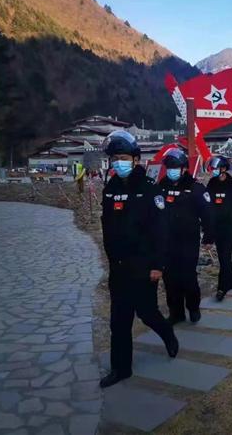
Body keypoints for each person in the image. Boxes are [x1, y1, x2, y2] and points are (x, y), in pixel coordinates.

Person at [99, 130, 178, 388]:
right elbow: (107, 226)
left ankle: (167, 333)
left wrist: (158, 265)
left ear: (135, 159)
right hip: (119, 268)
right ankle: (121, 369)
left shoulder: (150, 189)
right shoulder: (110, 189)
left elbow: (161, 231)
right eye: (114, 159)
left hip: (144, 267)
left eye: (122, 158)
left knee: (147, 313)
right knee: (119, 321)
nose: (117, 163)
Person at [159, 148, 213, 324]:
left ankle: (193, 307)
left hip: (188, 241)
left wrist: (208, 237)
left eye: (175, 168)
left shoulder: (195, 188)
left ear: (183, 169)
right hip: (167, 241)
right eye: (169, 168)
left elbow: (207, 214)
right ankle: (176, 313)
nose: (172, 171)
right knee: (170, 278)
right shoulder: (161, 187)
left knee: (188, 276)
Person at [204, 156, 232, 301]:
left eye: (216, 168)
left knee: (224, 256)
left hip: (230, 227)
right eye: (212, 169)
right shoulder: (212, 183)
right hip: (217, 226)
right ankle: (231, 281)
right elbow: (207, 204)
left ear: (223, 169)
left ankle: (222, 287)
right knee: (223, 255)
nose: (213, 171)